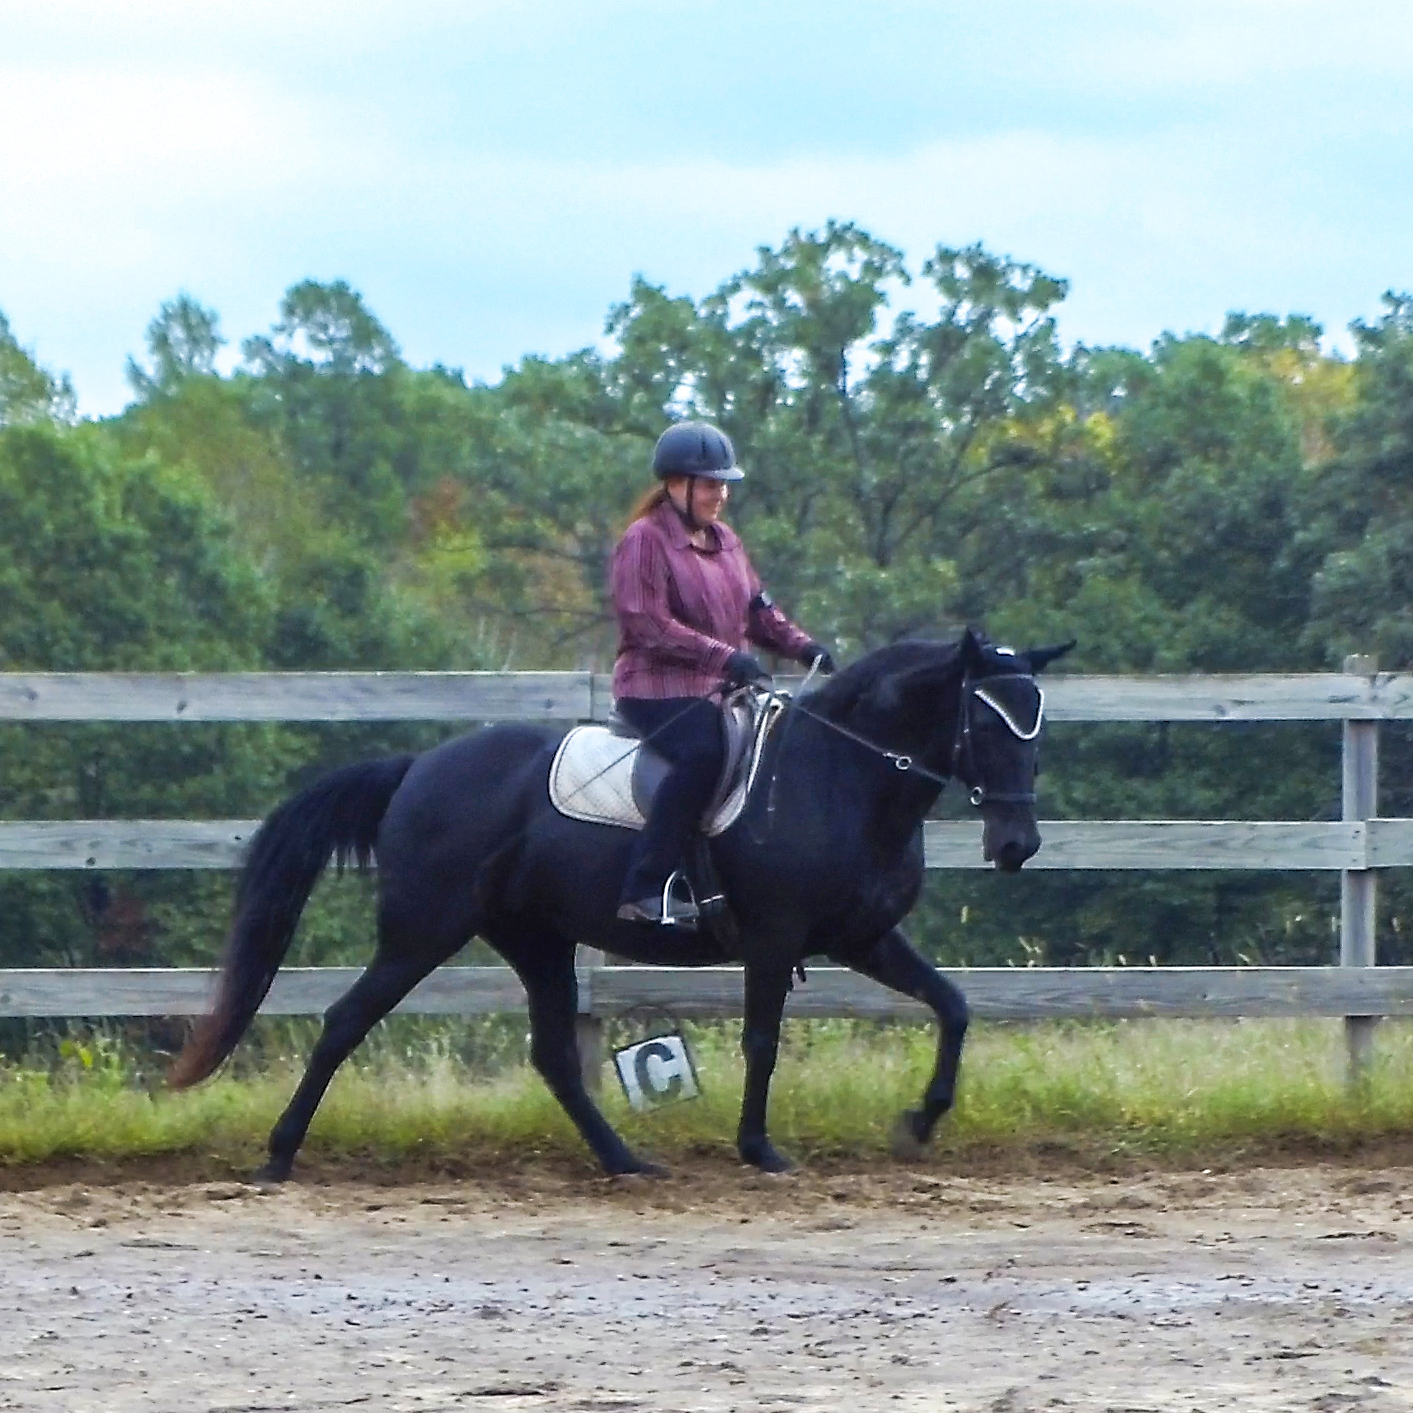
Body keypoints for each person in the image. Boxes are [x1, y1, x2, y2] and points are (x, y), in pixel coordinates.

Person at [609, 420, 836, 925]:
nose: (722, 494)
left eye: (725, 484)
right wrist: (725, 658)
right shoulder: (644, 541)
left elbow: (758, 611)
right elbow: (647, 624)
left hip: (717, 690)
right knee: (704, 752)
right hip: (654, 689)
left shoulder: (725, 541)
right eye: (712, 484)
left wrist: (803, 647)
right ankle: (645, 886)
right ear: (676, 485)